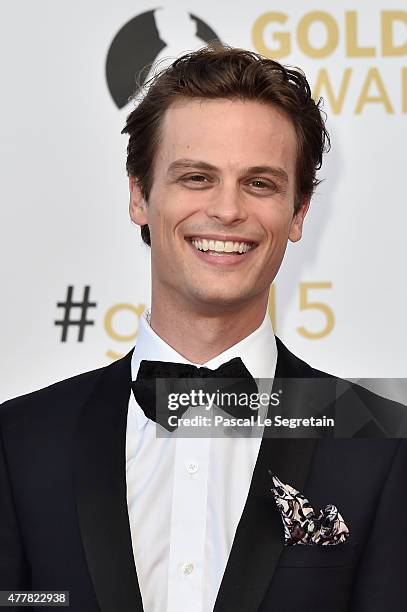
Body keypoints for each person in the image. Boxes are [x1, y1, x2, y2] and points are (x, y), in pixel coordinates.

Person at [1, 44, 406, 612]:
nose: (227, 210)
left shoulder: (382, 442)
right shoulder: (18, 442)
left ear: (298, 213)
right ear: (140, 195)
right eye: (196, 177)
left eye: (259, 183)